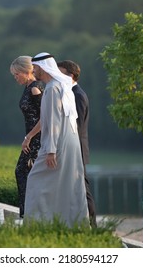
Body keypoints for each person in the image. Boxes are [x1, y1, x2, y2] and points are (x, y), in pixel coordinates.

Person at [23, 52, 89, 228]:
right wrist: (30, 136)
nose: (33, 71)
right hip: (70, 141)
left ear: (42, 68)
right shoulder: (60, 85)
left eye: (35, 68)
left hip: (58, 143)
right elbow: (48, 118)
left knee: (35, 180)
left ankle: (37, 224)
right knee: (69, 185)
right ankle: (73, 224)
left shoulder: (52, 88)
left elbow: (53, 121)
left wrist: (50, 150)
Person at [57, 60, 97, 228]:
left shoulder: (77, 95)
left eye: (60, 72)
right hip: (73, 147)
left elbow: (77, 126)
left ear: (70, 75)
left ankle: (92, 224)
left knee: (83, 188)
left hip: (77, 148)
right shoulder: (70, 93)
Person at [10, 56, 44, 218]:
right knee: (23, 172)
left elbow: (45, 118)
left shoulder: (35, 89)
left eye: (17, 74)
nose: (15, 77)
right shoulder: (28, 87)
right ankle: (26, 212)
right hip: (31, 138)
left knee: (24, 172)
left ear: (27, 71)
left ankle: (30, 213)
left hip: (37, 139)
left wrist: (29, 137)